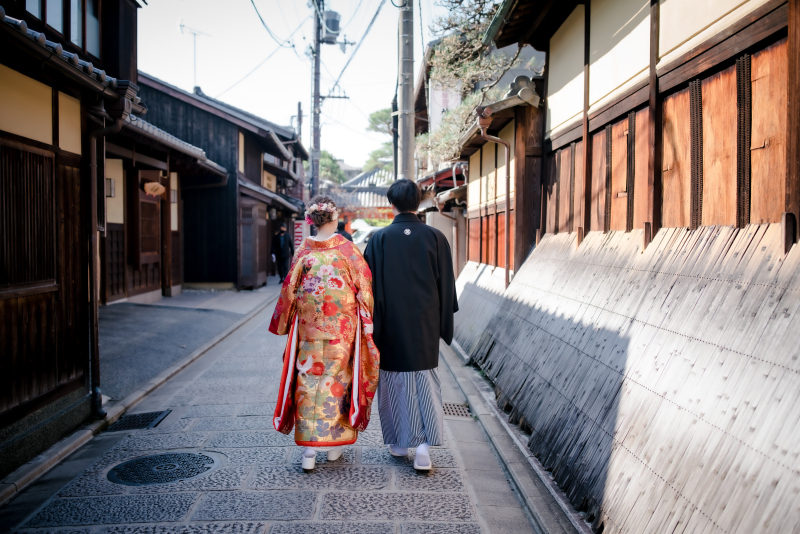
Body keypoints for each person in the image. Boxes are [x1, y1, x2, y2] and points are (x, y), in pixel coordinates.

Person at [269, 195, 380, 472]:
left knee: (308, 381)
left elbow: (289, 290)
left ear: (312, 220)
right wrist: (368, 318)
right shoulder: (347, 250)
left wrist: (284, 322)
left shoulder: (303, 251)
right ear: (335, 217)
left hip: (309, 331)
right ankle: (333, 446)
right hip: (341, 331)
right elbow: (365, 285)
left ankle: (309, 450)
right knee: (337, 382)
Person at [364, 179, 458, 471]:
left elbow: (367, 290)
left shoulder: (378, 239)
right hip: (426, 323)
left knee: (393, 382)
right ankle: (424, 449)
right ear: (418, 203)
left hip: (390, 323)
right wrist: (443, 321)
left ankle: (400, 443)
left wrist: (370, 325)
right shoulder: (435, 237)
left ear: (391, 204)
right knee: (426, 381)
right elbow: (447, 286)